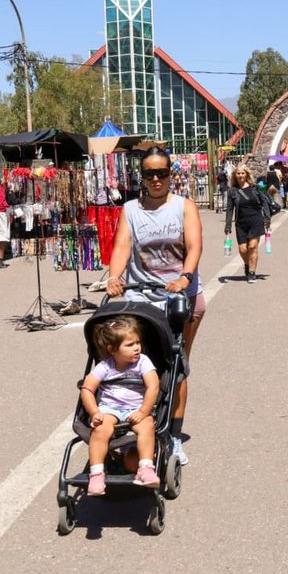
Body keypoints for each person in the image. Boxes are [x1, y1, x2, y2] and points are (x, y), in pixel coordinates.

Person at [107, 146, 204, 466]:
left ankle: (174, 436)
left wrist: (185, 277)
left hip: (180, 298)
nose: (156, 179)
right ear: (142, 177)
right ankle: (138, 425)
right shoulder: (131, 209)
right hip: (141, 298)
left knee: (176, 366)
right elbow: (122, 246)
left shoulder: (184, 207)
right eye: (149, 174)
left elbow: (194, 245)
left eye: (161, 173)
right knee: (135, 363)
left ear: (170, 174)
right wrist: (114, 277)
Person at [80, 316, 160, 495]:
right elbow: (86, 389)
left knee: (146, 425)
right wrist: (94, 412)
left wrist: (143, 411)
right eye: (130, 344)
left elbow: (153, 386)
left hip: (137, 408)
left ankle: (145, 468)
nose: (137, 348)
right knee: (100, 429)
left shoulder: (143, 362)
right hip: (110, 409)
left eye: (138, 343)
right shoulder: (105, 367)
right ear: (112, 349)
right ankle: (97, 474)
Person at [224, 163, 271, 283]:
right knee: (243, 249)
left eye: (242, 173)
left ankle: (252, 272)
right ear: (235, 175)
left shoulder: (255, 188)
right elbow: (230, 209)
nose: (240, 175)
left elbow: (264, 202)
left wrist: (267, 218)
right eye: (238, 173)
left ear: (246, 174)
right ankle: (247, 264)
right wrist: (228, 224)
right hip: (241, 223)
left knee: (252, 247)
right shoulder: (232, 191)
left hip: (255, 221)